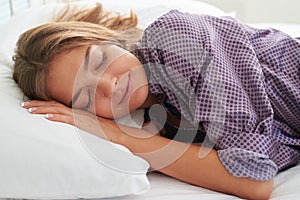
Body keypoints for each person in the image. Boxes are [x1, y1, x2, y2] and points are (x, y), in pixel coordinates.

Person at [12, 3, 300, 199]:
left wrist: (118, 135)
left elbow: (255, 179)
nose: (108, 86)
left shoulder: (173, 38)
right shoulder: (162, 124)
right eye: (84, 97)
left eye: (98, 60)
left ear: (107, 39)